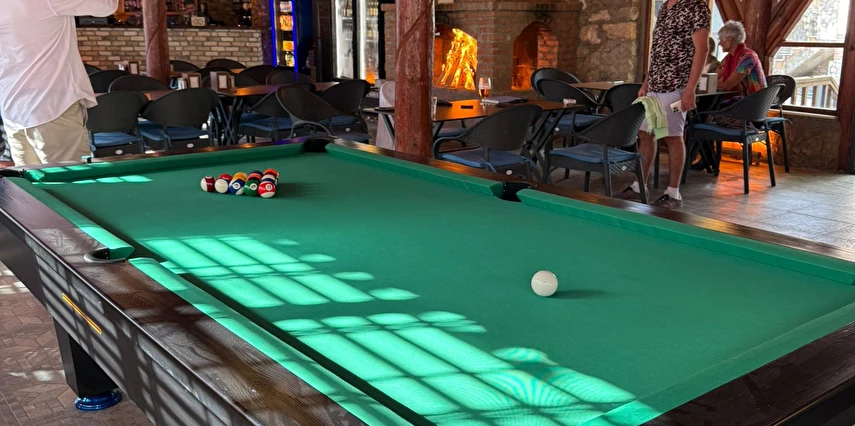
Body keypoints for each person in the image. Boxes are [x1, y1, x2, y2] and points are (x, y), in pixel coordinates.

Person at [0, 0, 118, 166]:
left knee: (31, 180)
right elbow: (107, 6)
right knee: (71, 178)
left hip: (13, 110)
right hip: (52, 107)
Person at [620, 0, 711, 208]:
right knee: (646, 133)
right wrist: (646, 82)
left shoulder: (696, 6)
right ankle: (639, 186)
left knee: (672, 136)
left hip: (676, 85)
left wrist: (690, 89)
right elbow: (657, 50)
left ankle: (673, 193)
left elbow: (702, 50)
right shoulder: (664, 6)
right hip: (655, 85)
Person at [716, 20, 767, 96]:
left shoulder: (748, 58)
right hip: (742, 99)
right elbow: (714, 77)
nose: (719, 43)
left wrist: (707, 86)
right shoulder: (728, 58)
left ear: (729, 40)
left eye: (721, 39)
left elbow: (727, 86)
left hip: (754, 101)